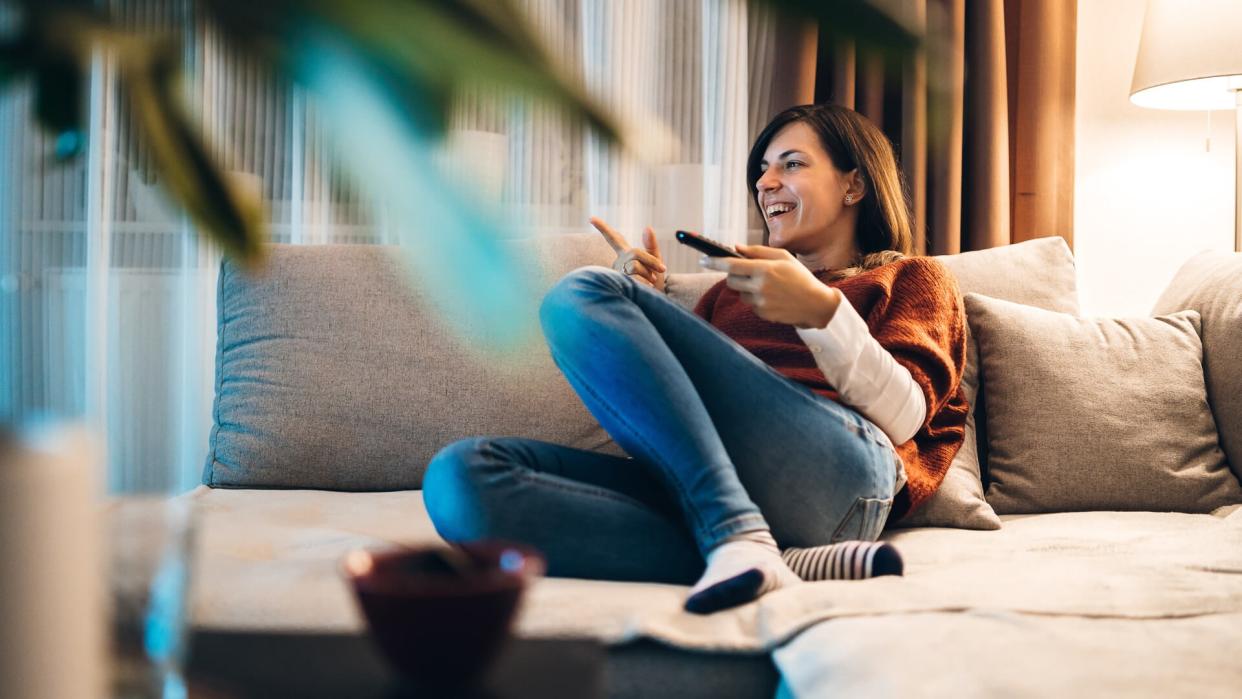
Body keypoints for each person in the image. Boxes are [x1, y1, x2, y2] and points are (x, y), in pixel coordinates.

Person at [423, 103, 969, 615]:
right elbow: (680, 424)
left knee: (579, 293)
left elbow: (905, 418)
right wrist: (648, 307)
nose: (765, 182)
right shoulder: (727, 294)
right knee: (461, 478)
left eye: (792, 164)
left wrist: (820, 311)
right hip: (733, 492)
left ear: (854, 184)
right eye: (761, 169)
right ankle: (773, 554)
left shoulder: (912, 277)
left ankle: (735, 533)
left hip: (843, 476)